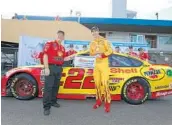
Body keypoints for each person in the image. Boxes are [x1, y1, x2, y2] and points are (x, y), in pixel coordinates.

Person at [41, 30, 71, 116]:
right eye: (59, 35)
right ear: (56, 35)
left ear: (63, 37)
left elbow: (63, 59)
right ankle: (46, 107)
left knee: (55, 86)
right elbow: (45, 55)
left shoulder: (62, 48)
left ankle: (53, 102)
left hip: (59, 68)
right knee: (48, 88)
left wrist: (70, 57)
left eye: (62, 35)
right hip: (50, 67)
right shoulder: (50, 43)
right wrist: (46, 67)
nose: (60, 37)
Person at [89, 26, 113, 113]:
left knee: (105, 84)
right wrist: (94, 53)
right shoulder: (92, 43)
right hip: (96, 65)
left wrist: (102, 55)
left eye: (95, 31)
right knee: (97, 84)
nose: (94, 33)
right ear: (91, 33)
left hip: (104, 65)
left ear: (98, 32)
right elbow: (91, 53)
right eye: (92, 32)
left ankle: (107, 103)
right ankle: (99, 101)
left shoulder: (105, 40)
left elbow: (110, 51)